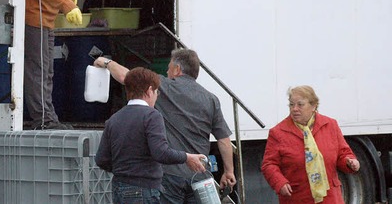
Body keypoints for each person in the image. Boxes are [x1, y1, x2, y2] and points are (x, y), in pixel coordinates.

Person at [93, 48, 237, 203]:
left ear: (177, 69)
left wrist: (106, 62)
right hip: (200, 175)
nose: (167, 72)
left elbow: (127, 77)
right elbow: (223, 139)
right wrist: (228, 171)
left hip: (169, 175)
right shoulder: (211, 99)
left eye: (168, 68)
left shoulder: (163, 87)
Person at [95, 67, 207, 204]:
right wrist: (187, 157)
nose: (156, 96)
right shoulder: (151, 115)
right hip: (144, 189)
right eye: (156, 92)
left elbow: (101, 159)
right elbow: (160, 152)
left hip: (119, 188)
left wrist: (124, 171)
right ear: (149, 91)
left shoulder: (114, 119)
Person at [24, 0, 85, 130]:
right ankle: (43, 120)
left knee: (47, 71)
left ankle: (48, 118)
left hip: (47, 20)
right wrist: (68, 5)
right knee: (39, 71)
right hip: (34, 20)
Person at [261, 85, 360, 203]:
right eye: (291, 104)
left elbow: (343, 154)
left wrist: (350, 162)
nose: (294, 109)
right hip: (297, 197)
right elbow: (269, 164)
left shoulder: (330, 125)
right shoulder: (278, 132)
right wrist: (280, 182)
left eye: (300, 104)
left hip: (330, 198)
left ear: (313, 106)